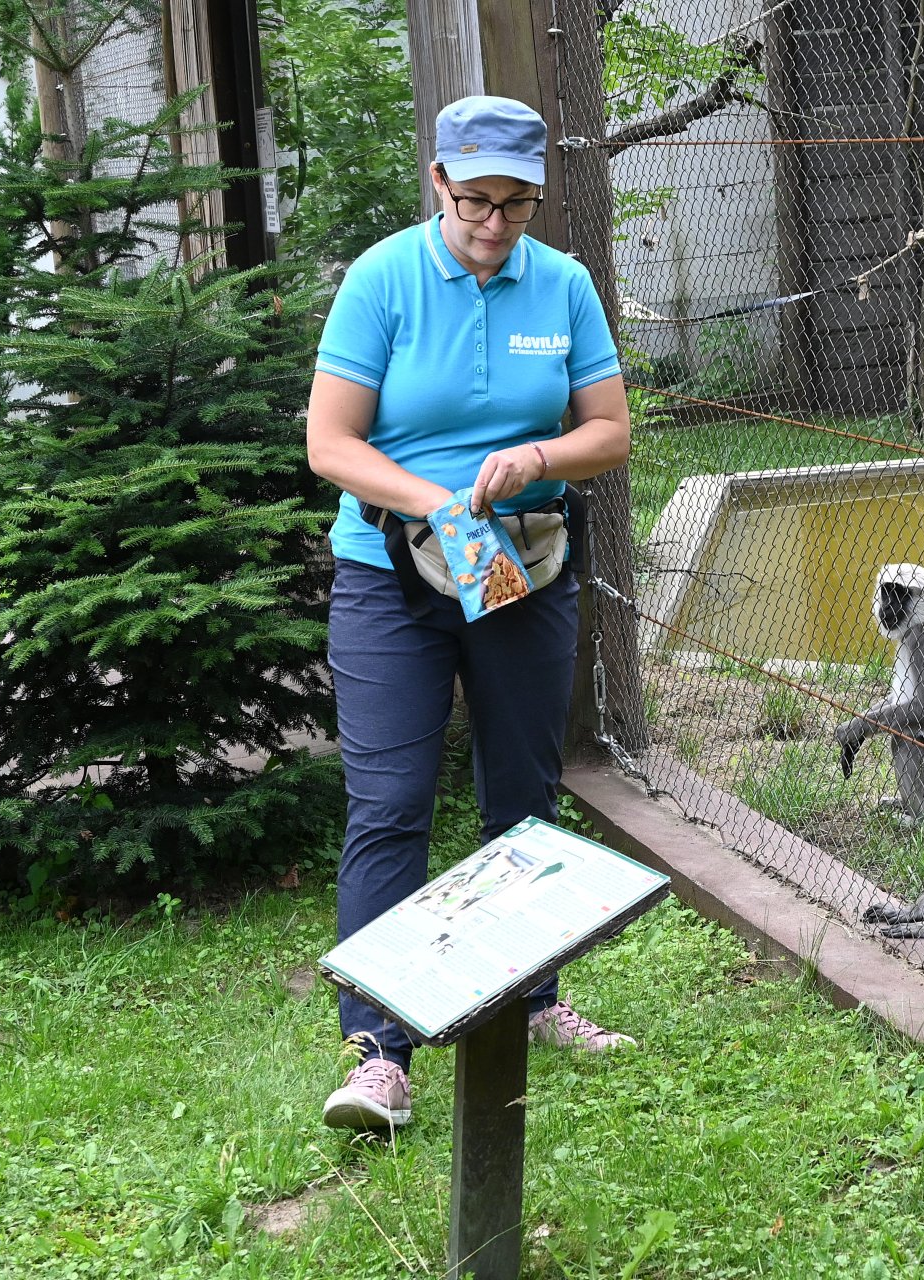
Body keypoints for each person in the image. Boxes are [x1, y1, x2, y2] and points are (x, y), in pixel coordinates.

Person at [305, 95, 635, 1133]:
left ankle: (533, 998)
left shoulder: (565, 286)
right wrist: (433, 500)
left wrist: (538, 457)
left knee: (523, 799)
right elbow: (331, 443)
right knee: (392, 803)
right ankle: (379, 1051)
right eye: (477, 200)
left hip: (521, 572)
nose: (496, 225)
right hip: (390, 573)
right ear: (439, 182)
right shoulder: (384, 280)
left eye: (519, 205)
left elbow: (611, 430)